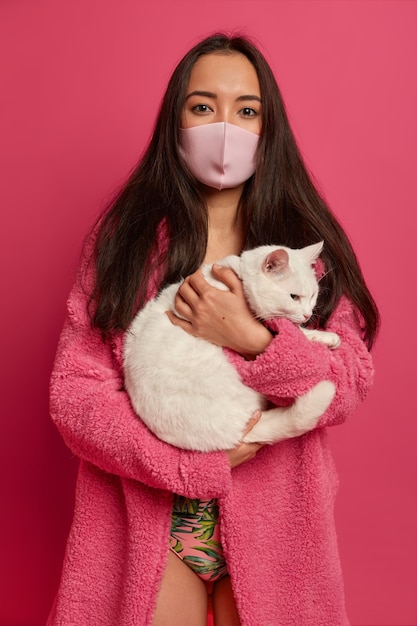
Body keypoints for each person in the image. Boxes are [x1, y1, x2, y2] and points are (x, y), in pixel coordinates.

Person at [48, 33, 379, 626]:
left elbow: (348, 379)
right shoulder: (125, 243)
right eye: (203, 107)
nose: (224, 127)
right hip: (146, 513)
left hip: (279, 523)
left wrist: (252, 340)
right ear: (176, 121)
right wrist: (193, 466)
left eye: (246, 111)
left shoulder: (304, 247)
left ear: (269, 126)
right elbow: (75, 396)